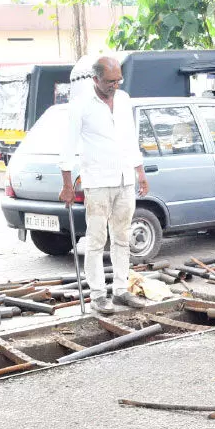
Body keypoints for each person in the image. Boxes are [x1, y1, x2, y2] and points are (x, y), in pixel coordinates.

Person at [58, 56, 150, 314]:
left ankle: (120, 290)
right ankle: (98, 294)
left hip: (124, 179)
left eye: (118, 80)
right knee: (97, 240)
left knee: (122, 237)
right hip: (97, 182)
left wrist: (140, 172)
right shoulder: (80, 105)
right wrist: (67, 184)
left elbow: (130, 138)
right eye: (110, 81)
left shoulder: (123, 100)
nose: (115, 85)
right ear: (95, 79)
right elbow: (68, 146)